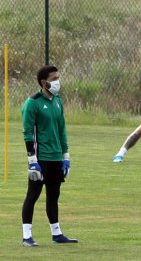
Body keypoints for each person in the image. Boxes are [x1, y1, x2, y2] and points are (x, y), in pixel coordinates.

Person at [21, 65, 78, 246]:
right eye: (54, 79)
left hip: (56, 158)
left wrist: (66, 156)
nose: (57, 82)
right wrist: (32, 161)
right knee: (33, 195)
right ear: (43, 82)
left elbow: (62, 130)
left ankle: (56, 233)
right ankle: (27, 236)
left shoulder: (58, 101)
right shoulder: (33, 103)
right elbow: (28, 133)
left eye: (58, 78)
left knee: (54, 196)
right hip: (41, 158)